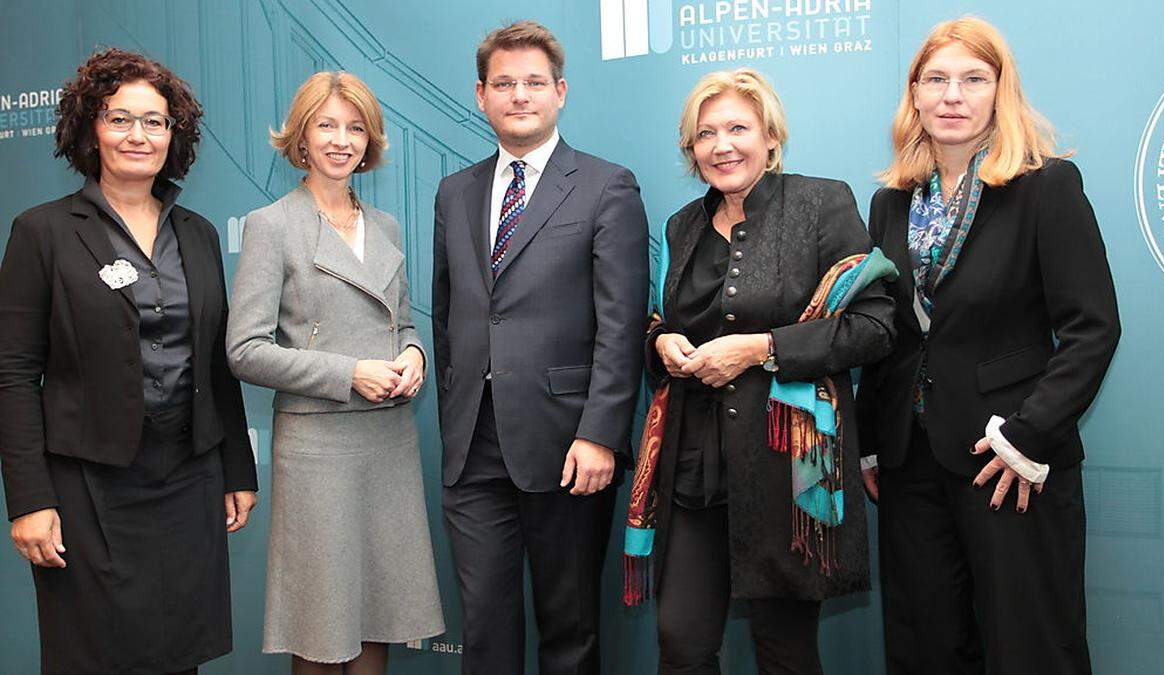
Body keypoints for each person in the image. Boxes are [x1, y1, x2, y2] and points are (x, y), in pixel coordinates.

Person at [858, 16, 1121, 675]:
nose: (953, 95)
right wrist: (867, 437)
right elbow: (887, 334)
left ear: (1000, 91)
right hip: (909, 459)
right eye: (936, 79)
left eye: (973, 79)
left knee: (1026, 645)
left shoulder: (1046, 186)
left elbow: (1093, 328)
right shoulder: (891, 203)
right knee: (926, 647)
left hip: (1007, 461)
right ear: (914, 94)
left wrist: (1029, 437)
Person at [622, 67, 895, 674]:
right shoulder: (681, 225)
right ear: (691, 151)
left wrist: (759, 348)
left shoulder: (822, 202)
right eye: (705, 134)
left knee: (785, 653)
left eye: (738, 128)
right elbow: (661, 324)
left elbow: (874, 328)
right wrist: (663, 341)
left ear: (771, 137)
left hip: (786, 472)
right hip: (693, 465)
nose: (722, 146)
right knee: (682, 643)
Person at [0, 47, 257, 674]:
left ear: (175, 134)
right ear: (92, 127)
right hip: (87, 488)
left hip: (188, 479)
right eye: (120, 118)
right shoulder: (44, 231)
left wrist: (237, 470)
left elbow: (215, 362)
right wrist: (30, 500)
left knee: (180, 654)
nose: (138, 135)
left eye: (154, 121)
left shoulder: (196, 233)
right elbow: (12, 372)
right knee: (93, 656)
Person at [431, 20, 649, 675]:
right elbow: (450, 314)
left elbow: (622, 322)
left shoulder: (606, 186)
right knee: (485, 630)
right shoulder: (455, 190)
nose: (519, 95)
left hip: (568, 444)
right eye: (504, 84)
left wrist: (602, 433)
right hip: (474, 447)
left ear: (561, 92)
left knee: (569, 628)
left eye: (533, 83)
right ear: (481, 95)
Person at [226, 71, 444, 674]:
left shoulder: (386, 226)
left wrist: (414, 354)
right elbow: (244, 349)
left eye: (354, 127)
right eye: (326, 125)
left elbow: (402, 322)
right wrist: (348, 372)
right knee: (321, 622)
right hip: (318, 446)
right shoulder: (271, 224)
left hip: (388, 441)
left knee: (380, 610)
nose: (341, 140)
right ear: (301, 136)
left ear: (369, 139)